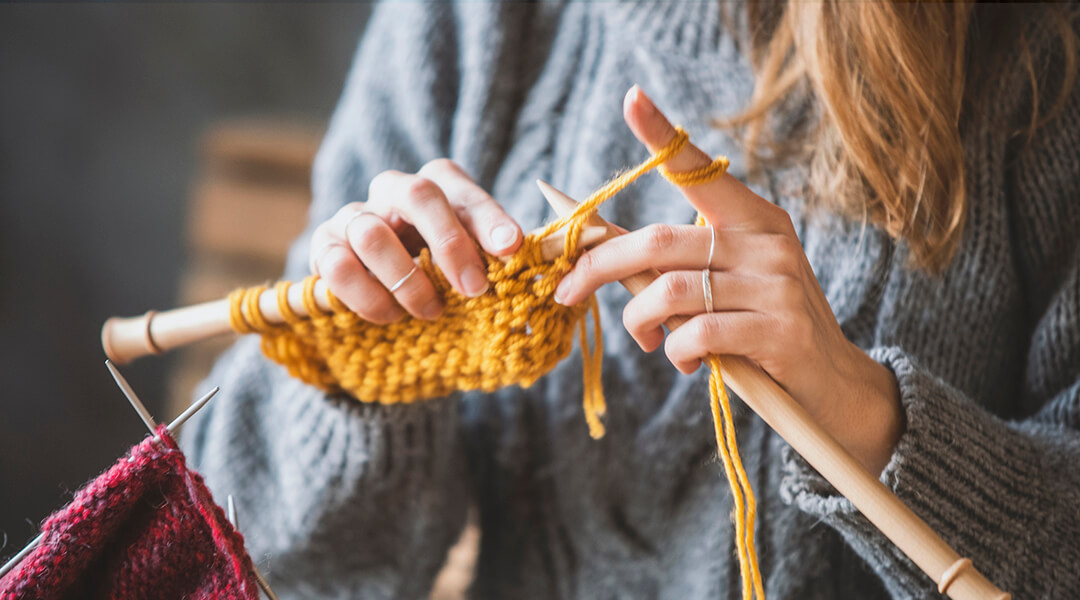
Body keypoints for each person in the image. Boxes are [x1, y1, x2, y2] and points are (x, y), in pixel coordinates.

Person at [181, 2, 1080, 598]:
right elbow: (247, 552)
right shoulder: (478, 20)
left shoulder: (1044, 65)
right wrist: (357, 368)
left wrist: (867, 414)